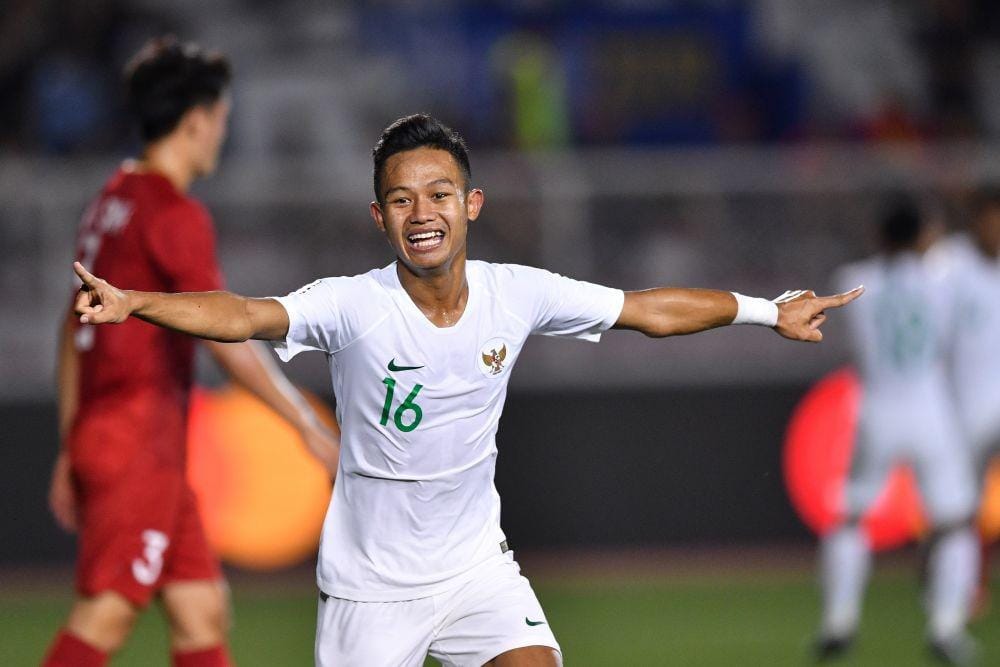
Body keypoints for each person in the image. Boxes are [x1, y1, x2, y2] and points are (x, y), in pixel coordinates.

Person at [70, 113, 861, 667]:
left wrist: (768, 311)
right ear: (380, 217)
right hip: (369, 589)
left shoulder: (515, 292)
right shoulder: (353, 304)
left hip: (475, 567)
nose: (424, 213)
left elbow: (645, 309)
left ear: (470, 205)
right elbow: (242, 313)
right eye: (404, 199)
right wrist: (138, 302)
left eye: (440, 193)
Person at [43, 37, 340, 667]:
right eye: (222, 120)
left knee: (200, 609)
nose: (221, 135)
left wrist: (73, 440)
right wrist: (306, 424)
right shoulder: (174, 214)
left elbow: (70, 329)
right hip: (136, 443)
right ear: (196, 119)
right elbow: (229, 336)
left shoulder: (112, 200)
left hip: (126, 439)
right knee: (107, 614)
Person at [815, 197, 978, 664]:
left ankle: (838, 619)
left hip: (878, 407)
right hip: (931, 410)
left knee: (850, 516)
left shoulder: (851, 281)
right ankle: (947, 626)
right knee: (953, 523)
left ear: (880, 234)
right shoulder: (945, 280)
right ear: (922, 235)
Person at [932, 189, 1000, 618]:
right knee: (959, 506)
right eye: (990, 220)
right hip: (965, 404)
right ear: (975, 221)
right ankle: (953, 590)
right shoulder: (949, 265)